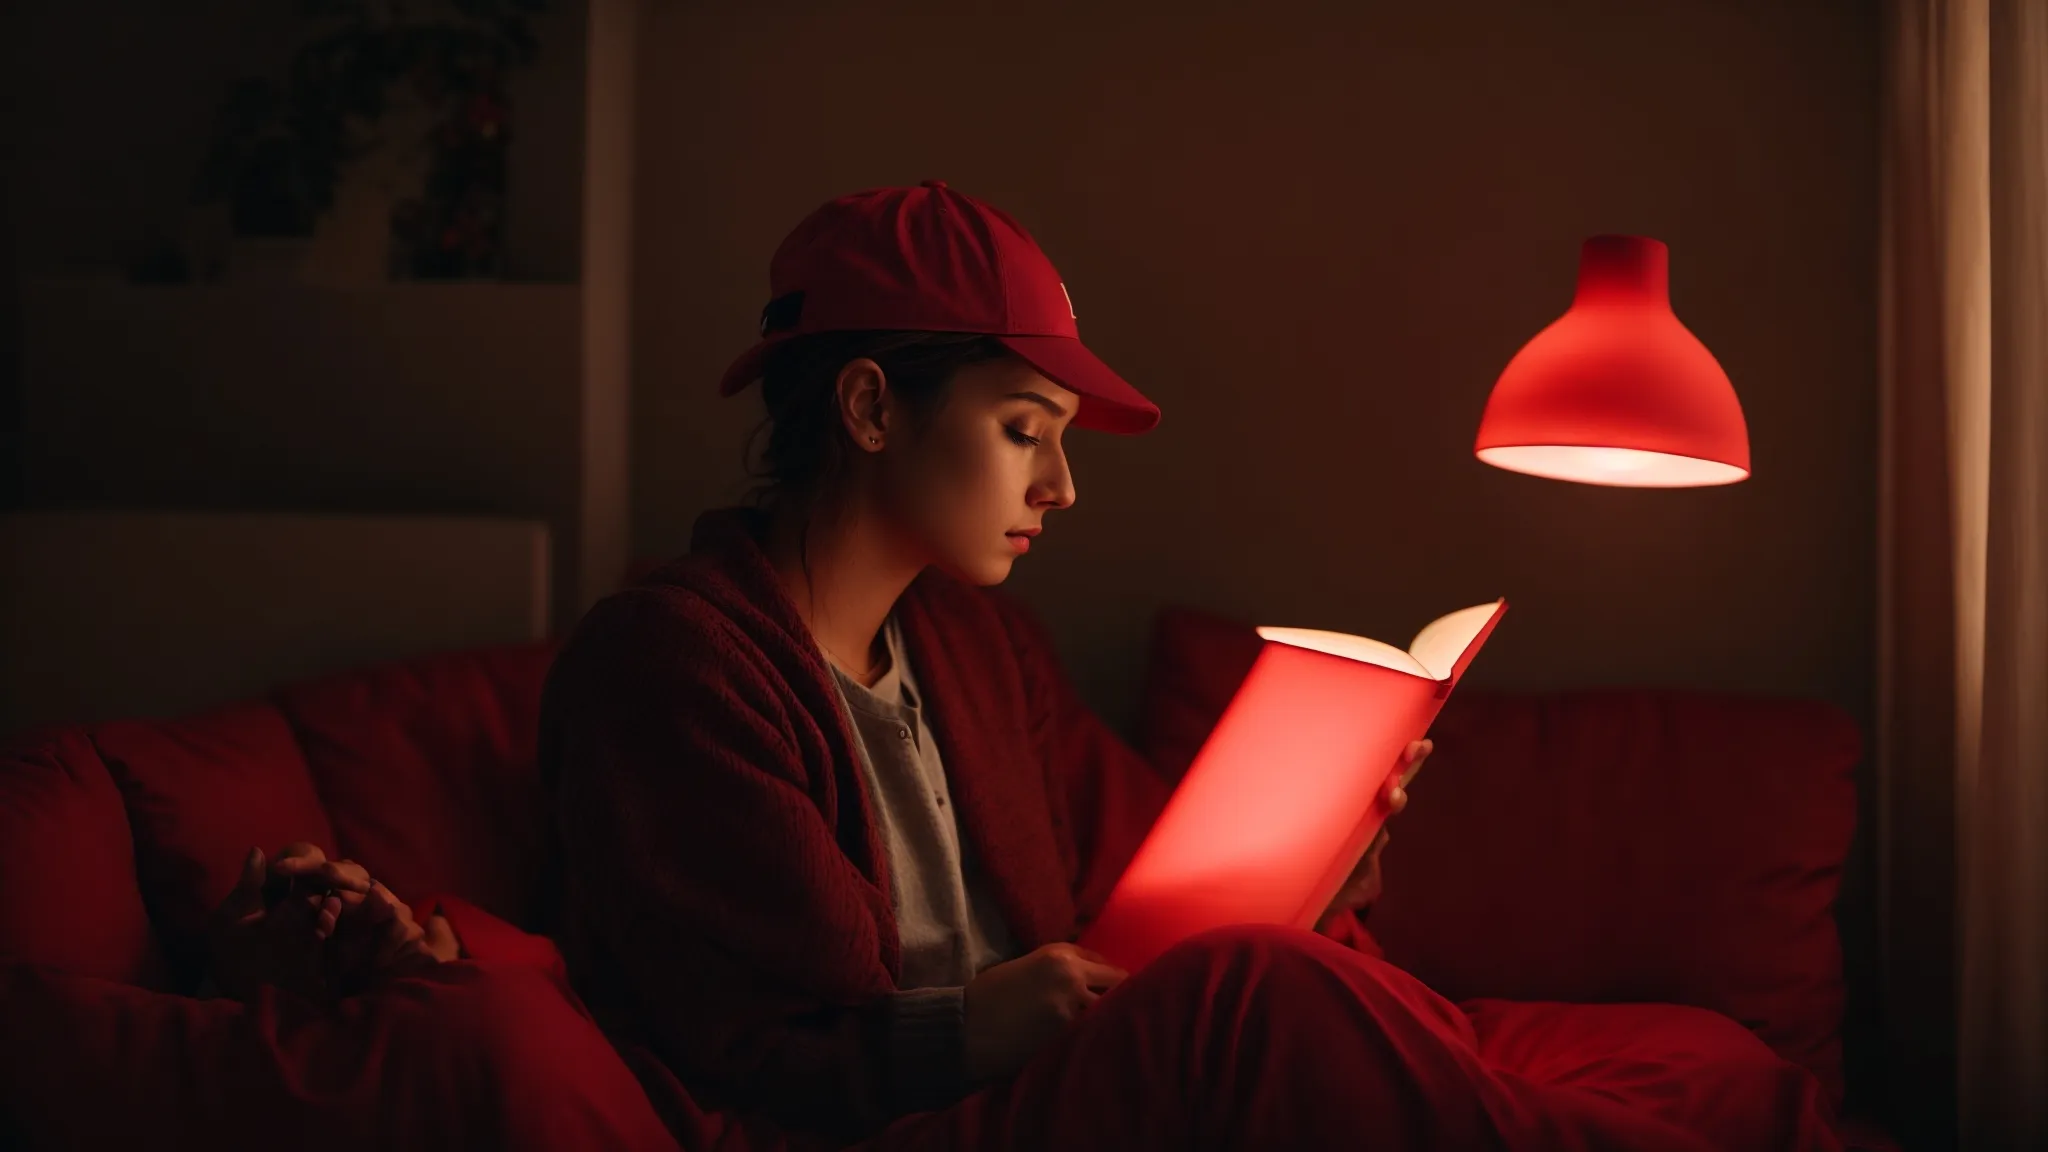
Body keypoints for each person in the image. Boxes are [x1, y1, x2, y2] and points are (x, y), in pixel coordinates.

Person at [536, 182, 1844, 1152]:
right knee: (1256, 999)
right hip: (903, 1124)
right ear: (871, 408)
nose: (1057, 484)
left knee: (1692, 1050)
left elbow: (1145, 911)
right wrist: (980, 1023)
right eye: (1020, 430)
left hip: (1056, 1074)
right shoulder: (676, 666)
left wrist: (1323, 857)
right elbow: (746, 1054)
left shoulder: (979, 646)